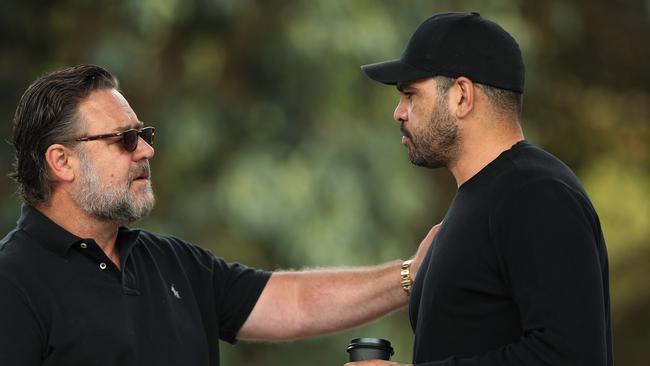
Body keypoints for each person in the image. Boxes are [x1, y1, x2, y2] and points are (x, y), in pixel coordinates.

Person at [0, 64, 439, 366]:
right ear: (61, 161)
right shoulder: (13, 282)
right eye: (125, 139)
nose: (147, 150)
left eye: (145, 134)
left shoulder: (172, 263)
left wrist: (411, 275)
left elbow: (295, 303)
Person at [347, 12, 612, 366]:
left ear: (461, 96)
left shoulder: (537, 194)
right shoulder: (482, 196)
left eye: (410, 94)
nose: (399, 112)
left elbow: (570, 357)